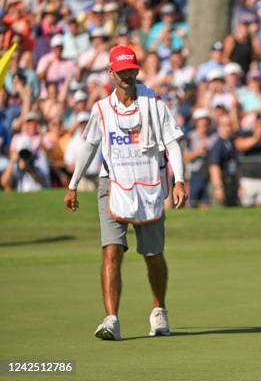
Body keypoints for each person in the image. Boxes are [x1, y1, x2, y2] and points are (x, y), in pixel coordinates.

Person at [63, 46, 187, 341]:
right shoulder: (102, 109)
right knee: (111, 250)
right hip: (112, 183)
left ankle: (159, 310)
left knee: (153, 254)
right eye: (122, 71)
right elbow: (90, 146)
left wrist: (179, 180)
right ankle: (111, 319)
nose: (127, 75)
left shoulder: (154, 103)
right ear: (111, 73)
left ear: (137, 70)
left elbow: (172, 143)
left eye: (131, 69)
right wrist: (73, 183)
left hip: (149, 184)